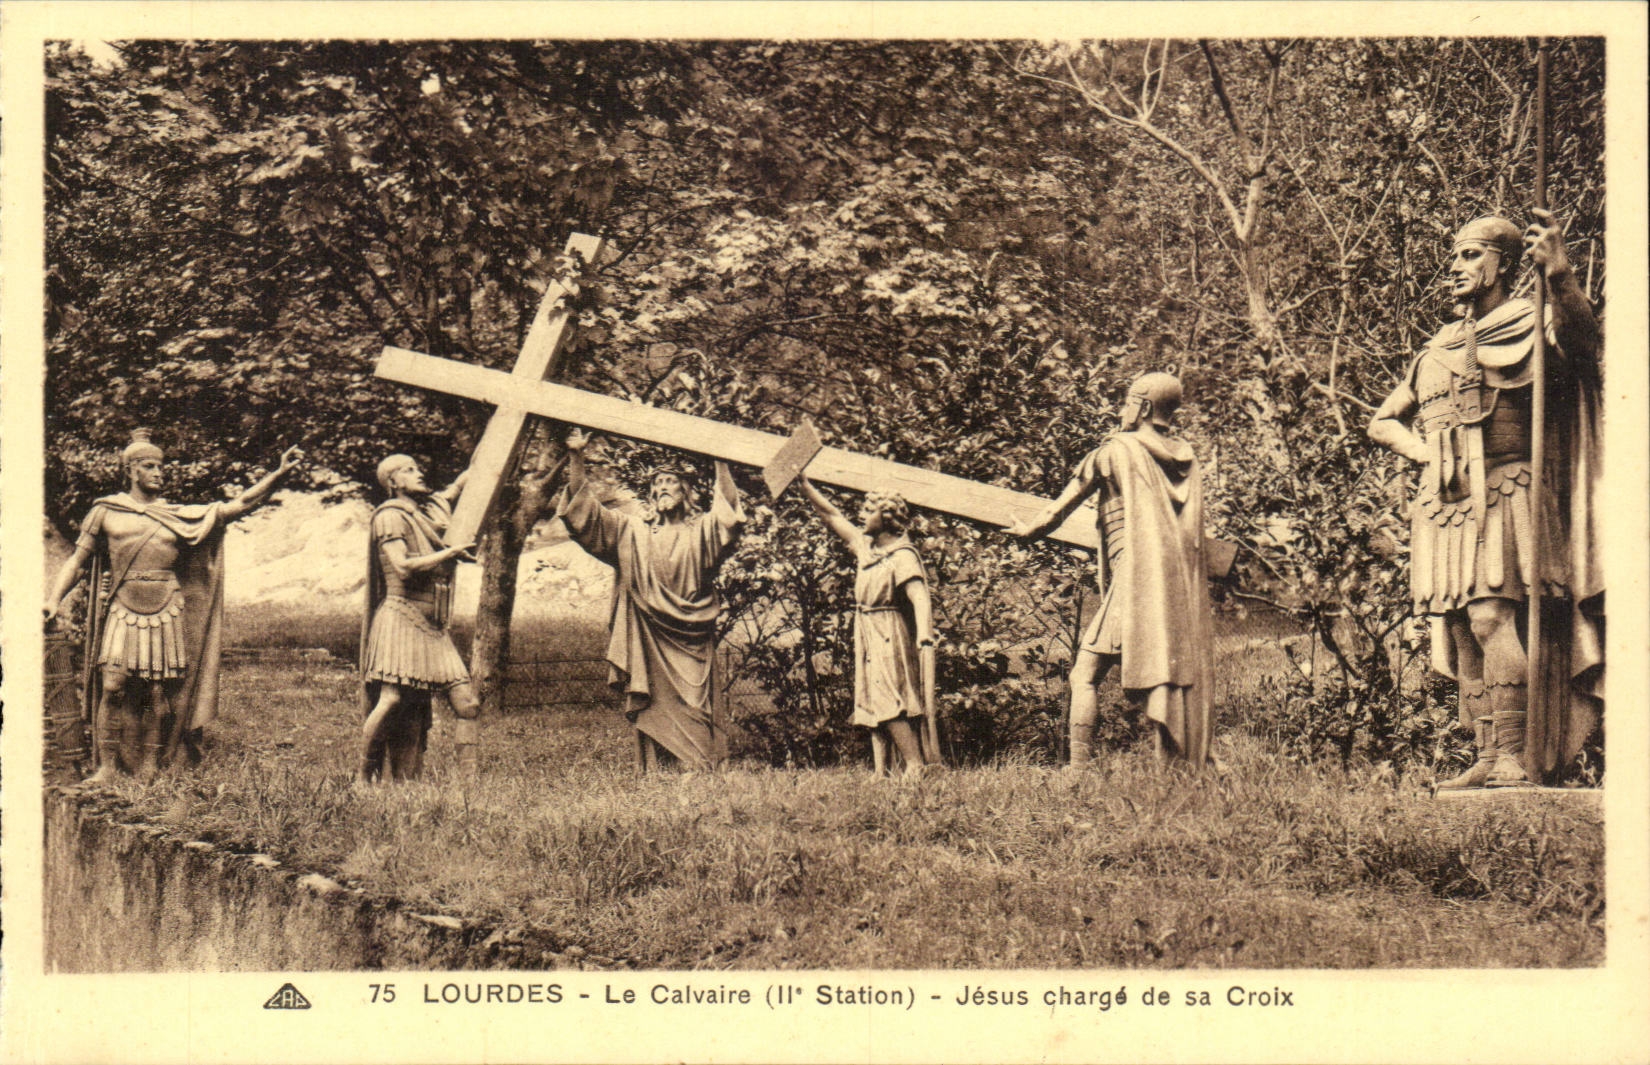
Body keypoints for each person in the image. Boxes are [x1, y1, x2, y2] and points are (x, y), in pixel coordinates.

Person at [1368, 209, 1602, 789]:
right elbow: (1382, 421)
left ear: (1502, 263)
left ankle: (1516, 756)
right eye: (1455, 256)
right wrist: (1421, 453)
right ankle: (1486, 753)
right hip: (1445, 501)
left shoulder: (1529, 323)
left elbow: (1583, 346)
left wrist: (1560, 276)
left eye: (1471, 255)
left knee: (1491, 615)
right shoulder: (1438, 345)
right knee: (1458, 628)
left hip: (1508, 486)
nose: (1456, 267)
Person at [44, 429, 302, 782]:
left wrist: (278, 474)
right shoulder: (106, 511)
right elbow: (77, 561)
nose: (159, 473)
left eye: (161, 466)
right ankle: (106, 766)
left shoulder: (180, 516)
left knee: (155, 690)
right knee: (113, 686)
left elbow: (237, 506)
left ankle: (151, 764)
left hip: (167, 607)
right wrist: (53, 599)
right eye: (150, 466)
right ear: (132, 470)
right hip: (122, 606)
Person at [1006, 372, 1214, 767]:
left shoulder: (1116, 450)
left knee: (1084, 673)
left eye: (1128, 399)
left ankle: (1079, 770)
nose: (1123, 408)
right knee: (1165, 674)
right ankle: (1174, 765)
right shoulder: (1187, 458)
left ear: (1145, 406)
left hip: (1133, 584)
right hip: (1173, 591)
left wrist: (1028, 530)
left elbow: (1060, 507)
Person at [558, 429, 744, 772]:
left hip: (691, 638)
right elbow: (586, 516)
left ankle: (700, 770)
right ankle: (659, 775)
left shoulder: (700, 531)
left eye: (670, 482)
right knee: (655, 704)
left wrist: (721, 461)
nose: (661, 488)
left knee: (694, 705)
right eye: (656, 485)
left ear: (686, 491)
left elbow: (728, 520)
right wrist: (576, 457)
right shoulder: (633, 532)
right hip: (648, 638)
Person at [798, 476, 937, 777]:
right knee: (872, 699)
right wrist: (805, 486)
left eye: (868, 509)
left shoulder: (902, 556)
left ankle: (915, 764)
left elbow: (919, 596)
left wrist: (924, 632)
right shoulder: (865, 548)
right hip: (867, 628)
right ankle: (880, 772)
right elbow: (832, 515)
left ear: (886, 517)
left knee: (889, 698)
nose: (860, 514)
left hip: (889, 631)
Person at [360, 455, 478, 782]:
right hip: (401, 617)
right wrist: (450, 553)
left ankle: (468, 789)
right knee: (391, 700)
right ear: (393, 482)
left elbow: (455, 488)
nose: (419, 473)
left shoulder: (426, 513)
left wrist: (481, 464)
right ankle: (361, 778)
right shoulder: (390, 517)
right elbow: (401, 566)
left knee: (467, 703)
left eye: (418, 468)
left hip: (433, 626)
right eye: (408, 470)